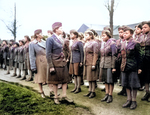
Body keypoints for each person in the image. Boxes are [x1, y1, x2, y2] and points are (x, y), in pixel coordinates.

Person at [46, 22, 73, 104]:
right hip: (55, 63)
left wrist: (66, 58)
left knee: (65, 80)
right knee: (55, 81)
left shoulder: (61, 39)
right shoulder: (50, 39)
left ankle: (64, 96)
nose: (62, 29)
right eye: (60, 28)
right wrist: (51, 66)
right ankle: (56, 97)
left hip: (62, 63)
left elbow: (64, 50)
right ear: (56, 29)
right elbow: (48, 53)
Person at [121, 27, 142, 109]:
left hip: (133, 67)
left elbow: (139, 56)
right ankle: (128, 100)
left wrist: (139, 68)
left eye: (126, 33)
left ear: (131, 34)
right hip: (124, 67)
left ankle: (134, 101)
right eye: (124, 33)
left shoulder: (136, 43)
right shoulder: (123, 43)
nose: (124, 35)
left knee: (133, 85)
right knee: (126, 84)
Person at [99, 30, 117, 103]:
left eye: (104, 36)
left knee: (110, 81)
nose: (102, 37)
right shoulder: (103, 43)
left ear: (108, 36)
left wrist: (114, 67)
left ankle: (110, 95)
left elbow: (114, 56)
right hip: (103, 64)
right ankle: (106, 94)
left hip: (109, 64)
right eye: (102, 36)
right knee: (105, 81)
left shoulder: (112, 44)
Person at [29, 29, 47, 98]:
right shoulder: (32, 44)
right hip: (39, 61)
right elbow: (31, 55)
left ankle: (51, 91)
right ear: (37, 35)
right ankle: (41, 91)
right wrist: (33, 66)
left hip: (46, 60)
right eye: (41, 33)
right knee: (40, 77)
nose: (42, 35)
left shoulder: (44, 42)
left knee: (49, 76)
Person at [83, 30, 98, 98]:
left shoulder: (94, 43)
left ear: (91, 36)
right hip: (86, 62)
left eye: (86, 35)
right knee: (89, 78)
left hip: (91, 62)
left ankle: (93, 91)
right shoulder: (87, 43)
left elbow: (95, 54)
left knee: (92, 77)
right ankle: (89, 91)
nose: (85, 36)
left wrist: (94, 64)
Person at [140, 21, 150, 101]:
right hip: (144, 59)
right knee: (145, 77)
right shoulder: (142, 36)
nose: (143, 29)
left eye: (145, 27)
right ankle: (147, 93)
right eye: (142, 28)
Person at [116, 26, 127, 96]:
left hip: (125, 59)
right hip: (119, 58)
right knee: (121, 74)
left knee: (125, 74)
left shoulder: (126, 41)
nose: (120, 34)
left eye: (122, 32)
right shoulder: (118, 41)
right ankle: (123, 88)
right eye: (119, 32)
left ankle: (126, 89)